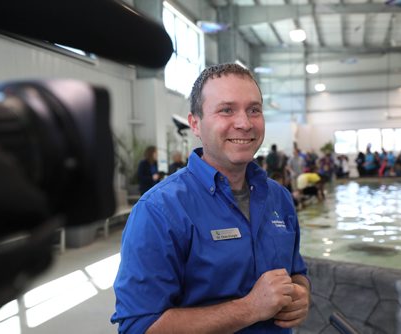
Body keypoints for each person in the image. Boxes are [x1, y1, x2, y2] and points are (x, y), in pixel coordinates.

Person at [112, 63, 310, 333]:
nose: (244, 123)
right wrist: (249, 309)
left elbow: (297, 270)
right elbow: (140, 327)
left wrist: (300, 292)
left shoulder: (279, 198)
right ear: (195, 123)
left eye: (254, 110)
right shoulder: (159, 210)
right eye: (226, 110)